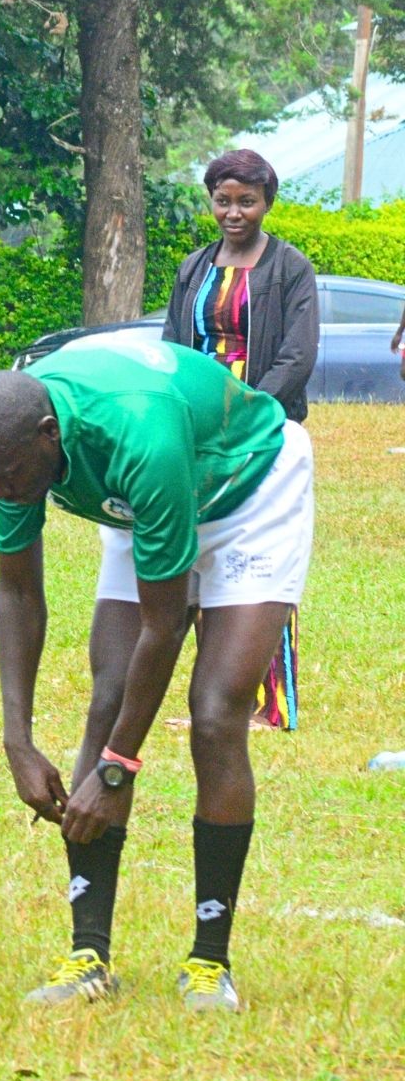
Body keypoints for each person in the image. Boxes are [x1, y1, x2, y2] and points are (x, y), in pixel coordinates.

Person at [0, 343, 314, 1013]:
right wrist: (17, 740)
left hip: (246, 490)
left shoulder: (136, 432)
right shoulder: (12, 440)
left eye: (9, 476)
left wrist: (119, 768)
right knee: (109, 694)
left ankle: (210, 960)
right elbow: (18, 593)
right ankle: (88, 955)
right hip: (139, 504)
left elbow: (164, 626)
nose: (4, 493)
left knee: (215, 711)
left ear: (49, 435)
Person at [161, 148, 318, 730]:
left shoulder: (289, 267)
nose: (234, 212)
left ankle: (270, 706)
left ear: (266, 203)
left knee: (259, 565)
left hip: (263, 435)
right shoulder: (195, 266)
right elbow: (175, 348)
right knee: (201, 564)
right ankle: (216, 699)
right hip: (198, 435)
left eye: (246, 201)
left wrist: (249, 416)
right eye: (223, 200)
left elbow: (298, 355)